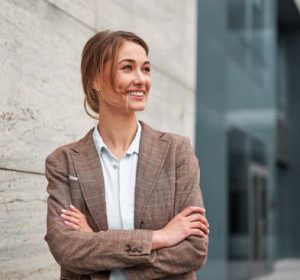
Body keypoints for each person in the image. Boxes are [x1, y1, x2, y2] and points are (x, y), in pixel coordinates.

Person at [45, 30, 209, 280]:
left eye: (146, 69)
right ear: (95, 80)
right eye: (127, 68)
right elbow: (66, 249)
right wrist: (160, 237)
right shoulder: (64, 162)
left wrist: (98, 249)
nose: (141, 79)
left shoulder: (177, 153)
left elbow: (193, 251)